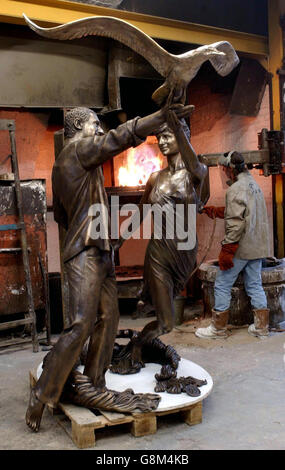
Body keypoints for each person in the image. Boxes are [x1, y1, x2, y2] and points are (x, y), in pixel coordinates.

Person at [26, 104, 192, 432]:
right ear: (77, 128)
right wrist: (159, 118)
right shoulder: (74, 153)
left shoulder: (82, 164)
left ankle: (95, 383)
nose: (99, 131)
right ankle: (42, 393)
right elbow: (117, 138)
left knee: (109, 318)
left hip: (98, 248)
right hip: (85, 251)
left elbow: (60, 212)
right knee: (80, 325)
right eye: (94, 125)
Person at [116, 109, 207, 370]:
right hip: (158, 252)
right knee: (166, 321)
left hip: (184, 253)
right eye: (160, 137)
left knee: (168, 320)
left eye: (168, 136)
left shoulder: (196, 174)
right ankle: (135, 348)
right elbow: (141, 212)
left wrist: (173, 118)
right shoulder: (156, 178)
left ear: (183, 138)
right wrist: (119, 240)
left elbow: (194, 165)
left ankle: (139, 345)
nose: (163, 141)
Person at [195, 151, 271, 340]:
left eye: (223, 169)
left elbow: (236, 222)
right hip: (257, 247)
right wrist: (215, 211)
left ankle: (218, 329)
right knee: (254, 284)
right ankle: (261, 327)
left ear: (230, 169)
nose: (223, 173)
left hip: (241, 247)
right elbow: (244, 212)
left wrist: (227, 250)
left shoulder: (235, 189)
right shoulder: (254, 185)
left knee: (221, 284)